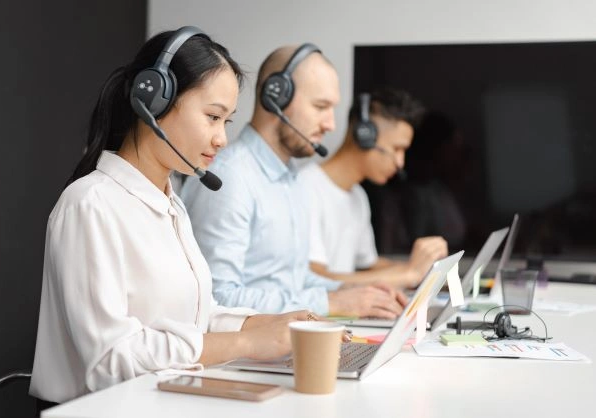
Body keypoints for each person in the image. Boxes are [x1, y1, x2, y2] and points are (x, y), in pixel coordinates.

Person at [29, 27, 313, 406]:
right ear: (154, 99)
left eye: (225, 122)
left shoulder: (170, 203)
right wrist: (245, 342)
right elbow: (110, 361)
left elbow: (192, 316)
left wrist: (262, 324)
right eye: (213, 117)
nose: (222, 139)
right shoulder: (90, 204)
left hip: (164, 401)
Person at [181, 44, 407, 319]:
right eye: (320, 106)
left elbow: (295, 281)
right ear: (276, 95)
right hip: (239, 357)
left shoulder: (293, 180)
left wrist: (354, 291)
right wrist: (331, 304)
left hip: (286, 344)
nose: (331, 124)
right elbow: (217, 297)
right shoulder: (230, 178)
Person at [298, 88, 448, 289]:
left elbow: (368, 266)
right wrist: (408, 275)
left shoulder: (357, 196)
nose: (400, 163)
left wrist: (423, 271)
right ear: (364, 135)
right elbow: (315, 279)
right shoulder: (306, 187)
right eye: (397, 149)